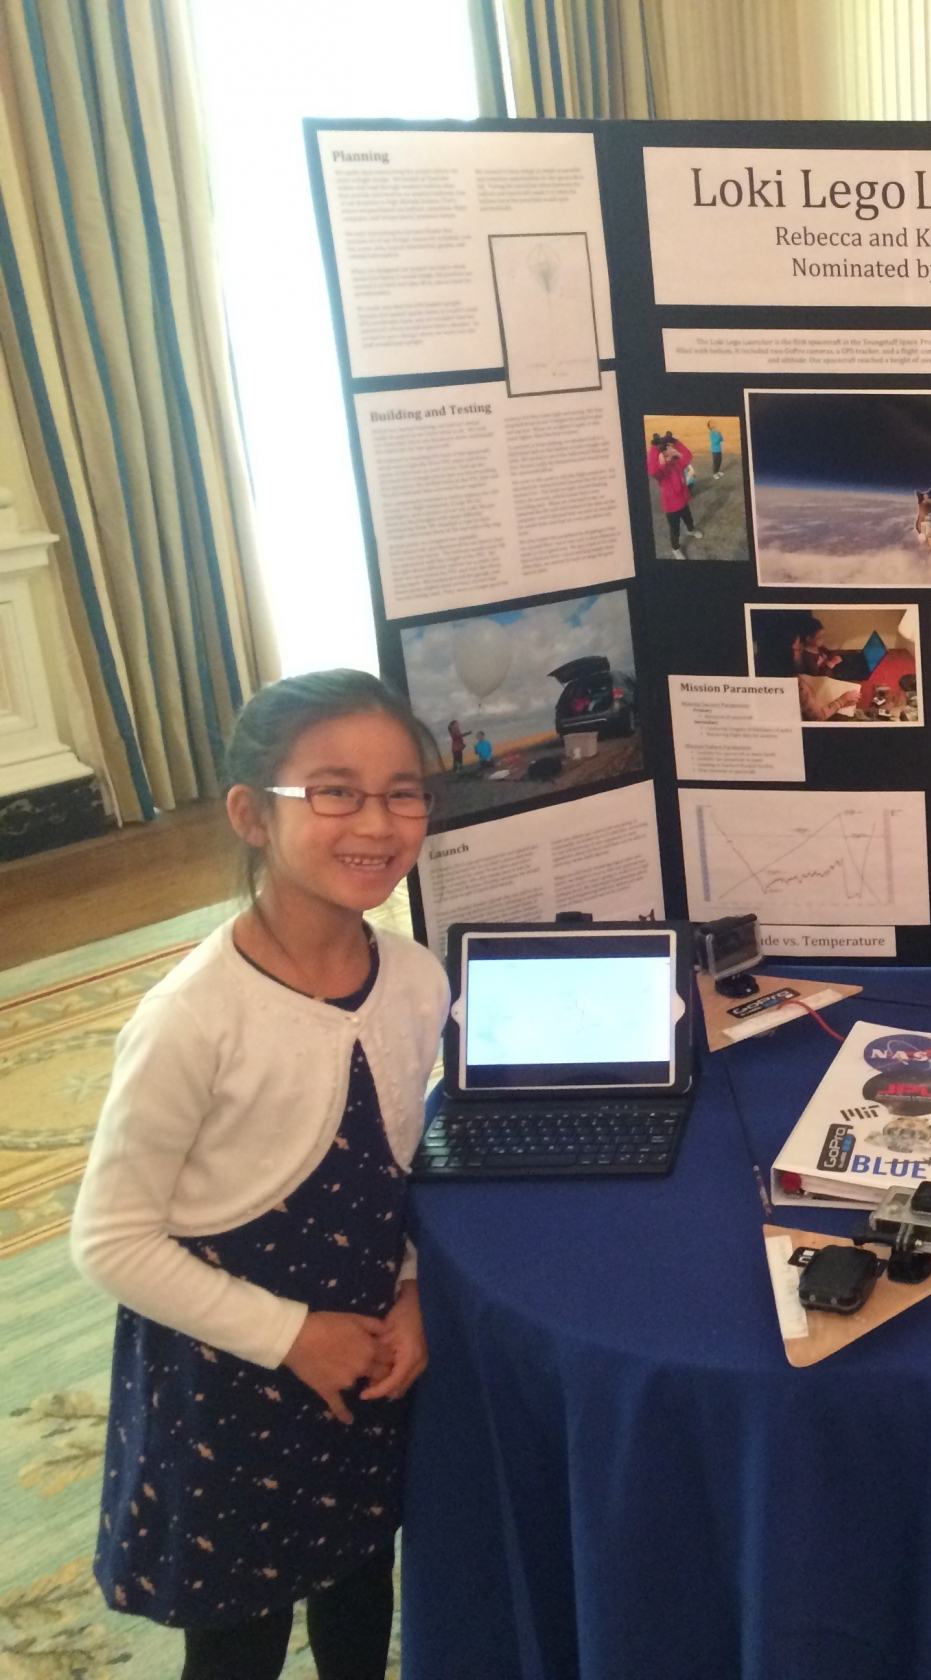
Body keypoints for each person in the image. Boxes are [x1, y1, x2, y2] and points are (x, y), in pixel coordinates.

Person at [72, 669, 451, 1680]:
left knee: (361, 1583)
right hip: (232, 1378)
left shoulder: (416, 979)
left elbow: (404, 1162)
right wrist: (291, 1337)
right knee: (236, 1642)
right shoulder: (193, 1018)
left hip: (369, 1358)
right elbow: (109, 1239)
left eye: (403, 790)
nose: (377, 820)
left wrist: (415, 1287)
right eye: (334, 790)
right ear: (250, 814)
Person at [648, 431, 698, 555]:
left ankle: (691, 530)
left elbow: (688, 456)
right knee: (674, 529)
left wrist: (676, 444)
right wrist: (655, 448)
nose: (670, 450)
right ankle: (675, 549)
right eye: (666, 450)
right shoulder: (661, 472)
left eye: (671, 447)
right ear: (662, 455)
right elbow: (652, 470)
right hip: (671, 507)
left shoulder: (677, 463)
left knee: (688, 519)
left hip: (683, 501)